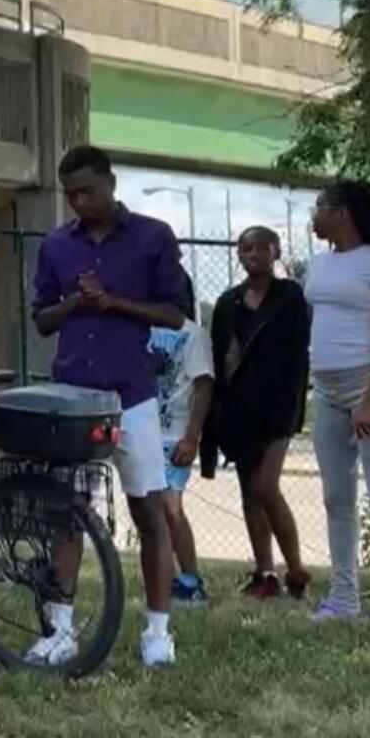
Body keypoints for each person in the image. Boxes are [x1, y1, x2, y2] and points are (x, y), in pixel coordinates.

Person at [29, 145, 184, 668]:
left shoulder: (152, 237)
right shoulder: (55, 246)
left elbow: (174, 314)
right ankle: (61, 630)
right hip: (72, 396)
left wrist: (113, 301)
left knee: (150, 512)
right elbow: (42, 320)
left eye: (87, 191)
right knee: (68, 514)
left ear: (111, 184)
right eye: (70, 194)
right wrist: (76, 302)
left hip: (131, 395)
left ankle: (158, 631)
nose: (79, 202)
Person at [304, 181, 370, 624]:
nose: (313, 213)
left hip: (369, 387)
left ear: (342, 214)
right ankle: (343, 598)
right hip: (324, 390)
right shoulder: (318, 264)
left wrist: (369, 400)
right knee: (335, 498)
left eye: (320, 207)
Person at [201, 226, 310, 599]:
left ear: (275, 251)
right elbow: (219, 358)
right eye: (244, 248)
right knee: (250, 493)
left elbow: (297, 358)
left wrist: (292, 404)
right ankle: (265, 573)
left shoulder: (290, 297)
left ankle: (296, 570)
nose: (251, 255)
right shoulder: (228, 302)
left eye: (260, 248)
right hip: (238, 410)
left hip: (278, 409)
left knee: (266, 486)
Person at [148, 272, 213, 606]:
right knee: (153, 510)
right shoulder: (142, 330)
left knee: (171, 508)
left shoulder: (193, 335)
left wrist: (192, 437)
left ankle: (190, 578)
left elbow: (204, 387)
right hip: (145, 431)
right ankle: (165, 577)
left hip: (175, 435)